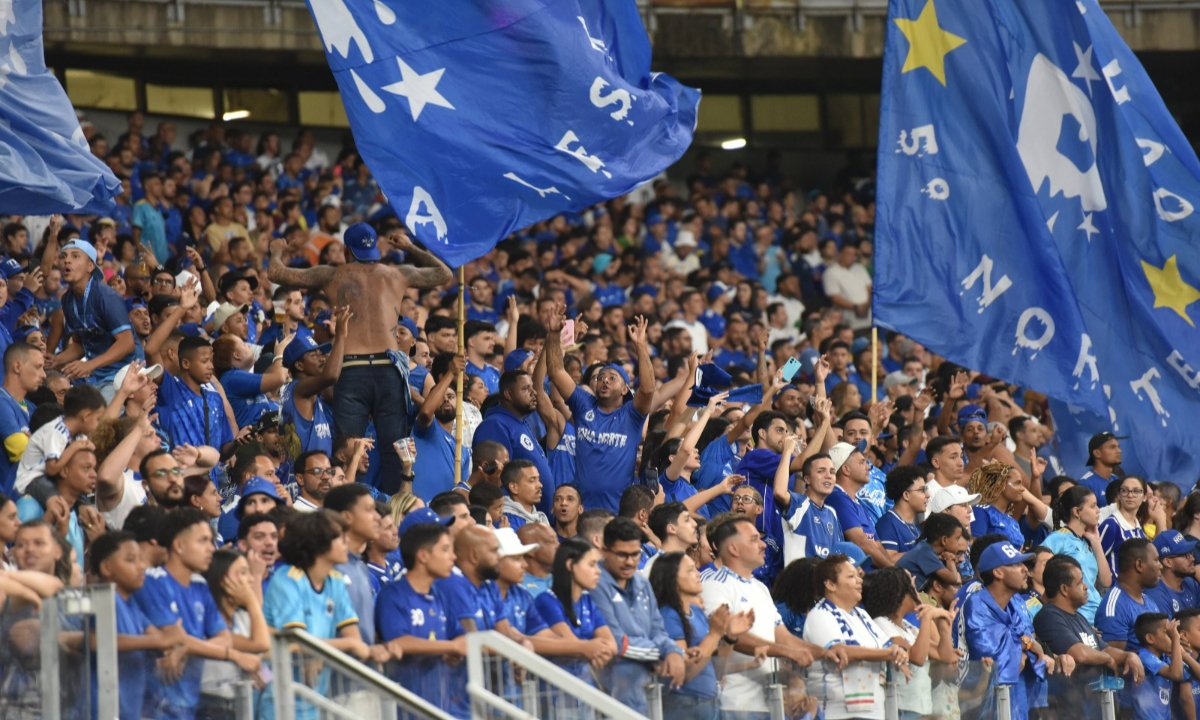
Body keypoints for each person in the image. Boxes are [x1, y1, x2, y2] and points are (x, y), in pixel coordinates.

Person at [269, 223, 452, 488]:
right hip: (389, 370)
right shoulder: (396, 273)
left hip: (352, 371)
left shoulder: (332, 274)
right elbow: (443, 273)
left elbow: (277, 273)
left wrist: (277, 250)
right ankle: (392, 508)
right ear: (374, 249)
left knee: (348, 450)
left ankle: (349, 504)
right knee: (395, 451)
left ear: (346, 250)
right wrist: (411, 247)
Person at [703, 515, 837, 718]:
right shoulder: (714, 584)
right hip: (733, 703)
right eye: (754, 539)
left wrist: (826, 653)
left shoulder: (760, 588)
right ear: (733, 549)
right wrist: (785, 652)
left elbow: (784, 637)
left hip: (769, 703)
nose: (763, 545)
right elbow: (730, 636)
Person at [545, 309, 656, 513]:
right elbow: (556, 372)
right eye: (600, 377)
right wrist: (553, 335)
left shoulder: (632, 415)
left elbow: (648, 389)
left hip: (618, 511)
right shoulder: (583, 403)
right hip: (581, 510)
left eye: (612, 377)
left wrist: (640, 346)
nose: (604, 380)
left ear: (625, 389)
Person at [261, 510, 370, 719]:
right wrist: (321, 648)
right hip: (279, 704)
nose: (346, 541)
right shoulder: (287, 580)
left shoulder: (335, 580)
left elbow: (354, 638)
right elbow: (296, 642)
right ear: (318, 543)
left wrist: (318, 650)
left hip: (315, 702)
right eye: (339, 536)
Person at [134, 508, 239, 720]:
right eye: (203, 541)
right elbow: (171, 640)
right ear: (179, 545)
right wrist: (231, 655)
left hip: (190, 709)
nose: (211, 548)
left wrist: (187, 646)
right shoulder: (152, 582)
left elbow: (225, 638)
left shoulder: (200, 586)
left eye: (211, 541)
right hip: (152, 710)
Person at [589, 517, 685, 713]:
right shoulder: (594, 584)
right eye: (622, 555)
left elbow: (658, 631)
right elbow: (616, 643)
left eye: (635, 554)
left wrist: (674, 651)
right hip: (607, 697)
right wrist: (663, 655)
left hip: (645, 693)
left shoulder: (642, 583)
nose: (630, 562)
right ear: (604, 551)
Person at [89, 530, 183, 720]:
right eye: (131, 560)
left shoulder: (131, 604)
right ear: (106, 568)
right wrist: (160, 641)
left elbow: (162, 638)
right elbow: (96, 641)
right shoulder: (103, 599)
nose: (141, 567)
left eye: (141, 559)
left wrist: (168, 642)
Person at [1033, 555, 1144, 715]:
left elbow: (1103, 648)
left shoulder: (1078, 617)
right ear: (1064, 589)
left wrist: (1128, 656)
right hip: (1066, 711)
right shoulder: (1049, 616)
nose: (1086, 587)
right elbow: (1080, 653)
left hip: (1092, 708)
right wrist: (1107, 659)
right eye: (1079, 582)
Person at [377, 515, 465, 714]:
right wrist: (449, 647)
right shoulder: (393, 595)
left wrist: (457, 645)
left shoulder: (440, 594)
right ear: (423, 556)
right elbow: (398, 641)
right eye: (445, 549)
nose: (453, 557)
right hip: (403, 707)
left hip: (440, 702)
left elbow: (459, 633)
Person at [803, 554, 908, 720]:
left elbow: (889, 646)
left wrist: (898, 654)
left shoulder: (861, 614)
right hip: (836, 713)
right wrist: (889, 654)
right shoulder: (819, 615)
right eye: (851, 576)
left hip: (875, 711)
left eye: (858, 576)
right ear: (830, 584)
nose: (859, 581)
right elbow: (841, 652)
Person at [651, 551, 752, 720]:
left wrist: (729, 637)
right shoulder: (668, 615)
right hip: (683, 704)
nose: (698, 573)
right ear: (672, 578)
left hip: (708, 701)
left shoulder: (696, 612)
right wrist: (714, 634)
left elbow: (717, 668)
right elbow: (683, 673)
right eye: (690, 570)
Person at [963, 541, 1054, 720]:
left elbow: (1032, 646)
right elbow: (998, 660)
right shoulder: (976, 604)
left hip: (1020, 702)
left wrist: (1024, 646)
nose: (1025, 570)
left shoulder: (1016, 602)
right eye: (1017, 564)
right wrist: (1026, 645)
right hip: (988, 706)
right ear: (998, 572)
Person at [53, 238, 143, 397]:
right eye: (63, 256)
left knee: (99, 418)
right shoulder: (67, 300)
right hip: (96, 376)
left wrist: (90, 365)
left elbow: (127, 343)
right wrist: (57, 359)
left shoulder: (105, 295)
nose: (67, 260)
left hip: (125, 372)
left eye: (75, 256)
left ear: (90, 266)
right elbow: (81, 344)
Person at [863, 567, 956, 720]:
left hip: (921, 706)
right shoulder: (880, 624)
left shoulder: (908, 627)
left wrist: (943, 626)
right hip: (900, 708)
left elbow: (944, 657)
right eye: (911, 586)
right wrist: (926, 618)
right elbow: (917, 658)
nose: (916, 591)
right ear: (897, 593)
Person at [529, 536, 618, 686]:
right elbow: (572, 645)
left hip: (585, 686)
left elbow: (612, 645)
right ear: (570, 564)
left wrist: (593, 648)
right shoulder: (547, 601)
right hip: (556, 690)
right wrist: (590, 646)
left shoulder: (588, 600)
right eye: (592, 565)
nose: (598, 572)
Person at [198, 549, 269, 719]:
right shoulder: (207, 620)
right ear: (223, 580)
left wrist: (263, 672)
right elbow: (261, 644)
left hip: (237, 704)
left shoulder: (242, 617)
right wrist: (251, 601)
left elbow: (262, 660)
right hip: (208, 705)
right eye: (243, 573)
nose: (251, 579)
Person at [1042, 485, 1111, 622]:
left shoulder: (1088, 541)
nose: (1098, 511)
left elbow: (1106, 582)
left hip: (1097, 613)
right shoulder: (1058, 538)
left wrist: (1096, 542)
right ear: (1077, 512)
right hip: (1077, 616)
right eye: (1093, 506)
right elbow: (1039, 570)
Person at [825, 441, 892, 568]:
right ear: (846, 469)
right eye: (862, 462)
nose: (868, 467)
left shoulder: (856, 502)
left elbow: (877, 544)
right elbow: (861, 543)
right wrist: (894, 572)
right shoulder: (837, 498)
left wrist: (896, 571)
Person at [413, 353, 470, 500]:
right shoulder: (426, 430)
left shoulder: (463, 451)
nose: (445, 400)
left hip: (445, 515)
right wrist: (451, 372)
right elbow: (426, 412)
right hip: (418, 509)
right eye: (441, 397)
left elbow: (459, 490)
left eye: (451, 397)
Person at [1096, 538, 1163, 650]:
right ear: (1139, 565)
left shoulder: (1149, 601)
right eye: (1156, 560)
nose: (1160, 566)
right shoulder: (1114, 606)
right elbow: (1115, 660)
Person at [0, 342, 43, 495]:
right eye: (38, 367)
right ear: (17, 367)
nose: (44, 375)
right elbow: (21, 452)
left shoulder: (32, 408)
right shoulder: (1, 402)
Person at [782, 453, 843, 561]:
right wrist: (787, 451)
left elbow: (837, 553)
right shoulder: (799, 504)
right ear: (807, 479)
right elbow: (779, 492)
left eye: (832, 472)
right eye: (821, 471)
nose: (828, 476)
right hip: (800, 577)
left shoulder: (832, 513)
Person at [1099, 475, 1159, 576]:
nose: (1130, 495)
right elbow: (1095, 560)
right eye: (1124, 490)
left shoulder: (1138, 526)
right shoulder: (1111, 524)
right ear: (1119, 495)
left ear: (1144, 497)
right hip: (1115, 587)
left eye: (1136, 491)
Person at [1133, 613, 1186, 720]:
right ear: (1150, 638)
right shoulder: (1143, 656)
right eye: (1168, 633)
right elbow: (1176, 674)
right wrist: (1175, 639)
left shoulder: (1165, 656)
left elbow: (1185, 673)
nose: (1173, 636)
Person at [875, 465, 928, 555]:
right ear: (906, 495)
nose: (928, 495)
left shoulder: (915, 524)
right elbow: (890, 560)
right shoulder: (887, 524)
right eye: (922, 490)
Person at [1147, 530, 1200, 617]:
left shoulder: (1191, 583)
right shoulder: (1156, 597)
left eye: (1190, 553)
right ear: (1168, 562)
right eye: (1185, 555)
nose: (1192, 558)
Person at [643, 502, 698, 578]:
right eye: (687, 520)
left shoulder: (686, 561)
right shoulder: (655, 568)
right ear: (672, 529)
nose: (695, 524)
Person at [500, 459, 548, 530]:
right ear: (514, 487)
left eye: (538, 480)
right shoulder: (506, 521)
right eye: (532, 480)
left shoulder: (540, 518)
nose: (540, 485)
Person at [1080, 431, 1123, 507]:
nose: (1119, 451)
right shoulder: (1085, 484)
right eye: (1112, 447)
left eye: (1118, 446)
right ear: (1097, 453)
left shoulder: (1116, 479)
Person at [517, 522, 557, 597]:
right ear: (531, 550)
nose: (558, 546)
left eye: (556, 540)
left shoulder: (565, 581)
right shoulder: (518, 588)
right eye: (551, 542)